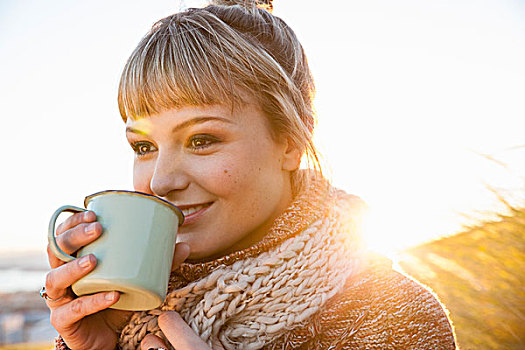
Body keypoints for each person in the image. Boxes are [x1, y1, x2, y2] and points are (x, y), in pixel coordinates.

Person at [43, 0, 457, 349]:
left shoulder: (393, 317)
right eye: (144, 148)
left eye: (202, 139)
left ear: (291, 141)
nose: (160, 181)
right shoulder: (134, 308)